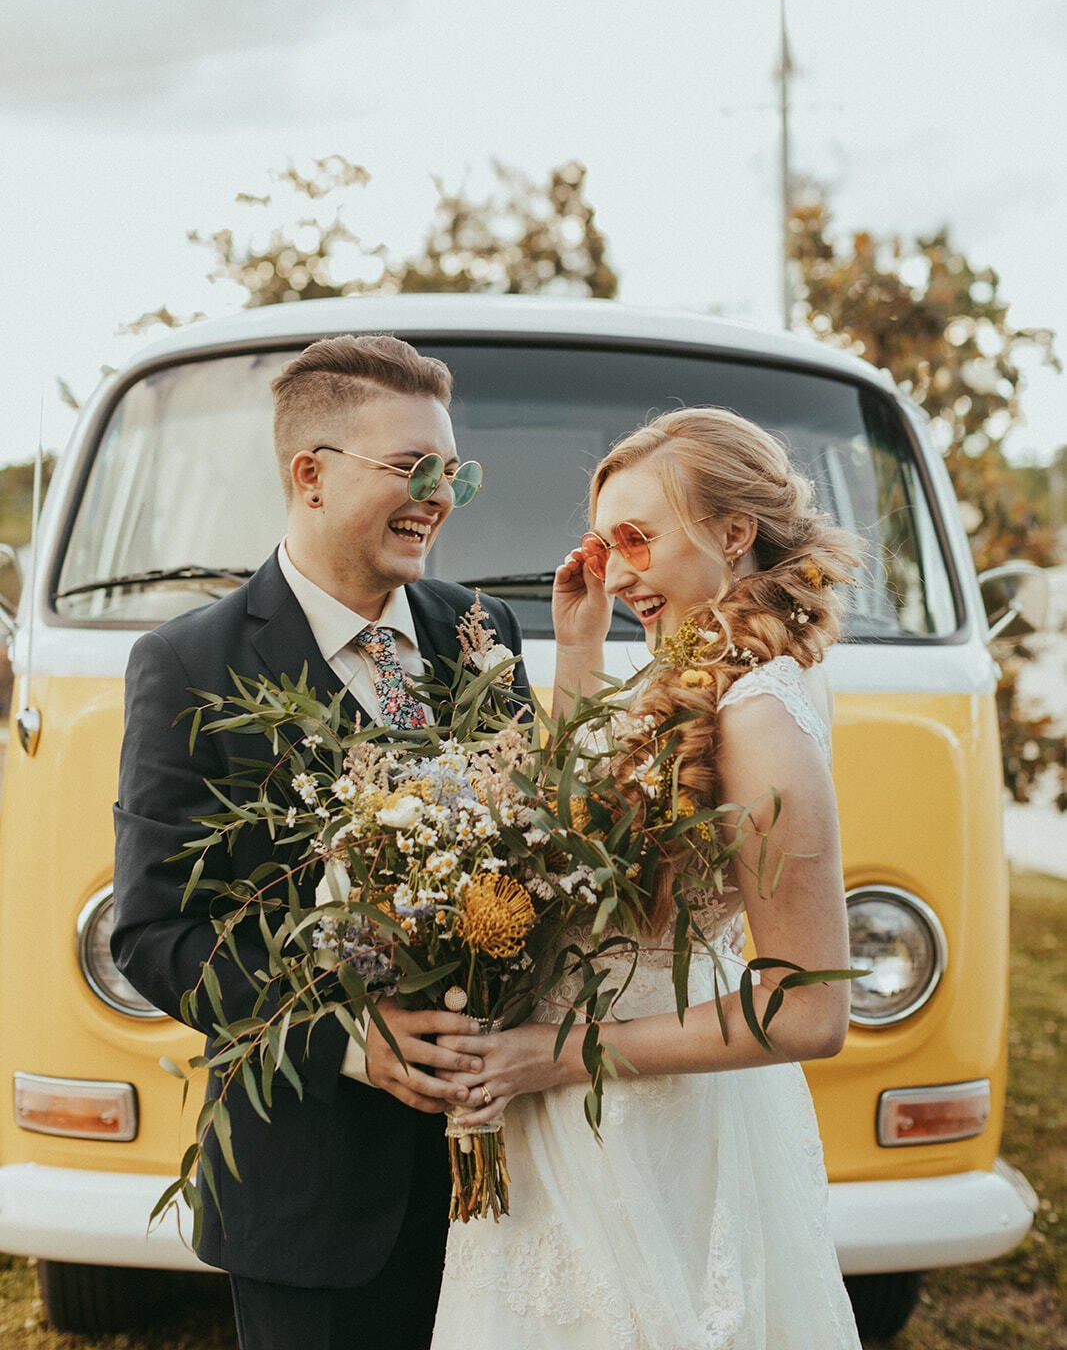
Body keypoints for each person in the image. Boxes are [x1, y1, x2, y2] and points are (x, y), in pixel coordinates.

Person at [111, 333, 529, 1350]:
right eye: (409, 468)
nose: (438, 495)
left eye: (451, 471)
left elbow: (527, 855)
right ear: (309, 473)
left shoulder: (482, 629)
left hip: (507, 1182)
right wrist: (351, 1040)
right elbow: (159, 934)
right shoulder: (188, 666)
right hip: (310, 1197)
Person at [431, 407, 864, 1350]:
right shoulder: (696, 673)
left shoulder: (757, 714)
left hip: (644, 1116)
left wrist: (550, 1053)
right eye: (603, 542)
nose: (617, 572)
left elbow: (805, 1012)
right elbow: (596, 854)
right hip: (584, 1110)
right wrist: (578, 649)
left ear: (733, 531)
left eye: (637, 539)